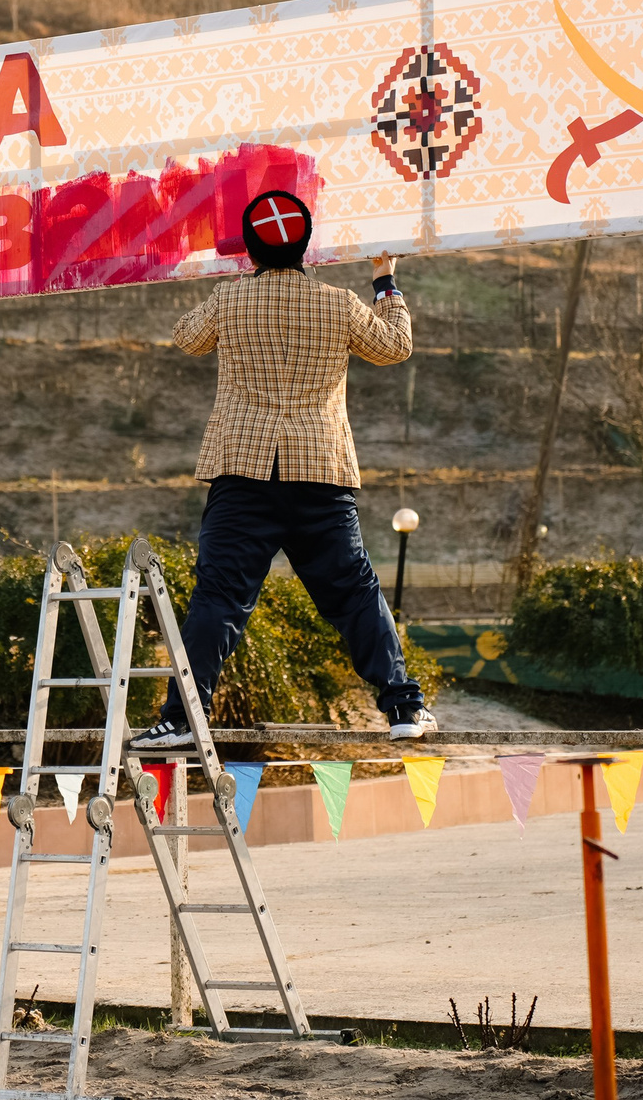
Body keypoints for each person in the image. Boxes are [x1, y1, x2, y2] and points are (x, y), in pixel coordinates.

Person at [130, 188, 434, 748]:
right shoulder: (339, 303)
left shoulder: (231, 300)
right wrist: (385, 281)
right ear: (306, 247)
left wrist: (239, 285)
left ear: (250, 251)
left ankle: (181, 718)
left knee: (218, 598)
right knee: (354, 593)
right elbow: (396, 347)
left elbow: (186, 338)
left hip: (242, 473)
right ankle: (402, 709)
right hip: (320, 472)